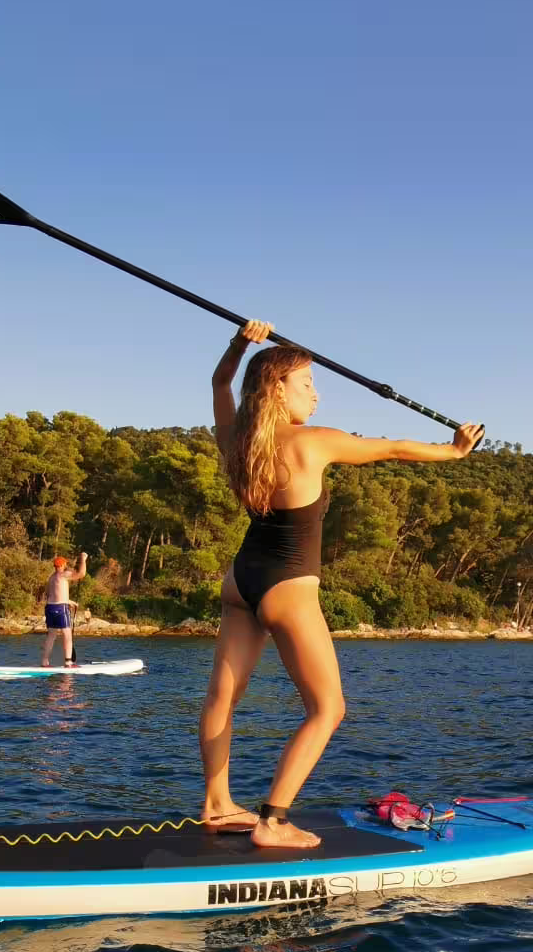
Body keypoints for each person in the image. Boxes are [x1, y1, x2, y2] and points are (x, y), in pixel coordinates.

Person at [199, 320, 483, 848]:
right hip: (288, 587)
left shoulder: (237, 440)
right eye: (306, 383)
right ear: (278, 388)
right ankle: (273, 821)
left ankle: (217, 804)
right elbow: (393, 448)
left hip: (241, 580)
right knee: (328, 709)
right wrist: (454, 451)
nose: (315, 393)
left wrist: (240, 344)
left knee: (223, 696)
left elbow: (220, 385)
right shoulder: (312, 442)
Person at [42, 551, 87, 667]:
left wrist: (69, 601)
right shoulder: (63, 575)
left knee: (51, 635)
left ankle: (45, 662)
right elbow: (81, 574)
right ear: (61, 566)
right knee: (67, 634)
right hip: (61, 609)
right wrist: (83, 559)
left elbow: (52, 594)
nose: (66, 566)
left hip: (50, 608)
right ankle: (68, 663)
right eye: (65, 565)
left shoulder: (51, 578)